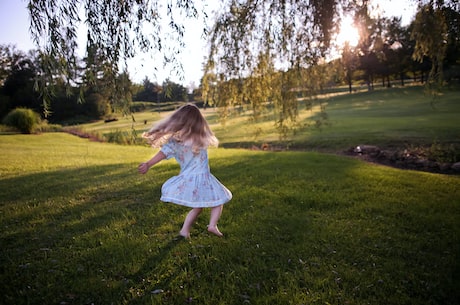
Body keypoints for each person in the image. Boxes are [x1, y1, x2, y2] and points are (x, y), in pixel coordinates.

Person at [138, 103, 232, 239]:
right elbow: (209, 137)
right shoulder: (201, 137)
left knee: (198, 207)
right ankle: (212, 225)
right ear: (199, 121)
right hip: (203, 178)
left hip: (188, 178)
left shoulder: (176, 142)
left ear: (178, 121)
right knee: (219, 200)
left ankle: (184, 231)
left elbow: (162, 154)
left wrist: (148, 164)